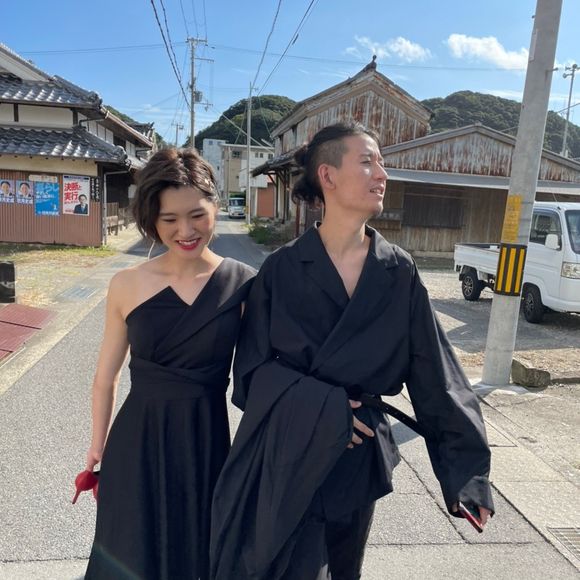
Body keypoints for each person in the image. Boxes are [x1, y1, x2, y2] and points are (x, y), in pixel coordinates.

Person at [210, 122, 494, 580]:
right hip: (292, 451)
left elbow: (436, 372)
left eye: (381, 163)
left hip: (358, 462)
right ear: (328, 175)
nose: (382, 174)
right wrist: (326, 411)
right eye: (367, 162)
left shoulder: (397, 270)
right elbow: (251, 374)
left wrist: (468, 473)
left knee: (344, 571)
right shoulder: (281, 269)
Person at [84, 148, 255, 580]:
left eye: (197, 215)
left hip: (205, 443)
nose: (186, 231)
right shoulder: (126, 283)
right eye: (169, 219)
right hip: (135, 442)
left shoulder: (244, 284)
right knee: (130, 552)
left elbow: (266, 373)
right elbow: (106, 377)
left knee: (196, 553)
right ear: (151, 221)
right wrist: (98, 446)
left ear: (215, 206)